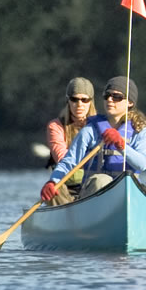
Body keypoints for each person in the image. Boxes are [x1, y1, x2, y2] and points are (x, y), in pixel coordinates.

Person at [40, 77, 146, 204]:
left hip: (126, 191)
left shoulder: (141, 131)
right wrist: (53, 181)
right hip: (93, 195)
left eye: (117, 97)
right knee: (101, 180)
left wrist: (121, 145)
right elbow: (69, 161)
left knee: (142, 190)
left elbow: (142, 164)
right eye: (107, 95)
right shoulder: (90, 130)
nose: (110, 100)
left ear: (130, 102)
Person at [43, 77, 95, 206]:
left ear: (91, 102)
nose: (79, 104)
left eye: (84, 100)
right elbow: (62, 158)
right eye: (74, 99)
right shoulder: (55, 126)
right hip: (65, 185)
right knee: (56, 188)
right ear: (68, 101)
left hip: (91, 185)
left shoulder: (100, 125)